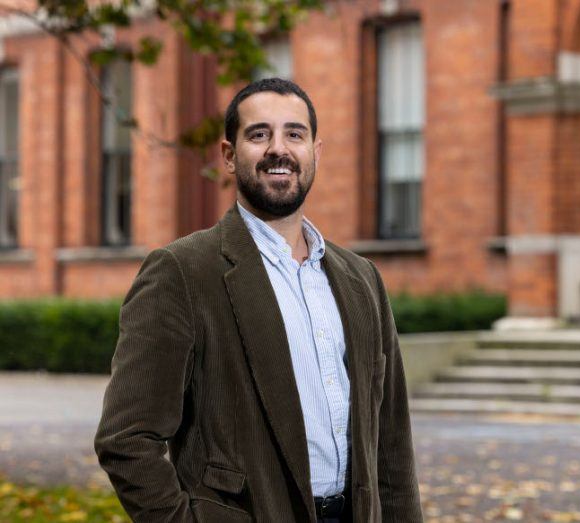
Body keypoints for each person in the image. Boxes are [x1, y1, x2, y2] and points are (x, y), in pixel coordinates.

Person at [95, 77, 423, 523]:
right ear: (230, 156)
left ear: (315, 152)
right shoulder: (183, 272)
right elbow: (126, 438)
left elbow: (392, 443)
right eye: (258, 134)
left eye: (294, 133)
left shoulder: (361, 279)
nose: (278, 149)